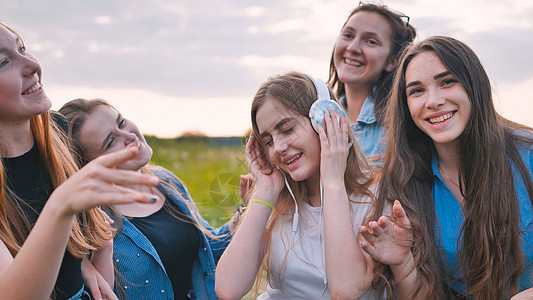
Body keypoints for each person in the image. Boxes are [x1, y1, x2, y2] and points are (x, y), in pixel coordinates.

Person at [360, 36, 533, 299]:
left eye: (447, 82)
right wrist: (403, 262)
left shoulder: (528, 154)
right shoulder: (402, 183)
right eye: (417, 90)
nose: (433, 101)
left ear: (474, 85)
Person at [0, 21, 160, 299]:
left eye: (22, 48)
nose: (32, 65)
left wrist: (82, 261)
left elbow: (88, 255)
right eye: (3, 62)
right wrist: (61, 207)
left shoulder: (59, 137)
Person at [215, 72, 385, 299]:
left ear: (326, 120)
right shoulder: (277, 202)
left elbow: (346, 291)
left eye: (286, 129)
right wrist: (265, 190)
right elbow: (228, 289)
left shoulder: (376, 196)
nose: (279, 147)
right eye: (268, 141)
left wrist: (332, 183)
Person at [59, 98, 244, 300]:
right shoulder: (86, 221)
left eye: (121, 122)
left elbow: (207, 250)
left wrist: (247, 208)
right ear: (88, 166)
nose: (129, 135)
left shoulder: (165, 182)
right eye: (111, 141)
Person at [327, 3, 416, 158]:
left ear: (392, 61)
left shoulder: (400, 128)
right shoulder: (320, 117)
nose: (353, 48)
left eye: (371, 41)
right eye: (348, 35)